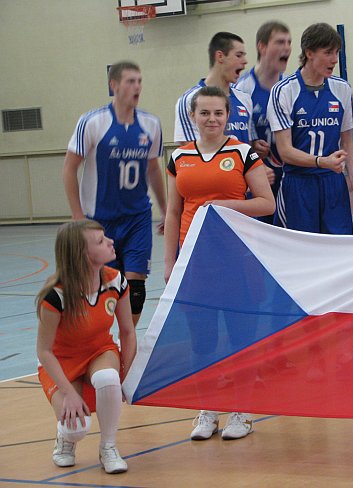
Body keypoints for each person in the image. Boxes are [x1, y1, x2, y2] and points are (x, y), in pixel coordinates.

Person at [165, 86, 275, 441]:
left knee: (240, 337)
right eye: (204, 113)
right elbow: (172, 212)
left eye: (218, 113)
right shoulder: (179, 157)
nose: (211, 119)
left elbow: (266, 203)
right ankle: (208, 409)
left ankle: (242, 410)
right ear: (193, 117)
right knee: (202, 339)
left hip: (236, 259)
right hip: (196, 261)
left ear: (228, 116)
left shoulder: (243, 153)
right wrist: (171, 262)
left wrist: (226, 205)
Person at [62, 61, 166, 327]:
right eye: (130, 81)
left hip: (137, 218)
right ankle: (103, 338)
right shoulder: (92, 122)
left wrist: (166, 211)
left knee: (136, 289)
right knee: (104, 286)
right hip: (100, 220)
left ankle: (126, 341)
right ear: (114, 85)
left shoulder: (151, 124)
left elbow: (154, 169)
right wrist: (78, 216)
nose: (137, 87)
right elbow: (69, 168)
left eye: (139, 81)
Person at [36, 220, 136, 474]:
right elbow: (44, 351)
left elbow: (127, 331)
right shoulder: (55, 295)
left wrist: (127, 374)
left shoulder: (116, 281)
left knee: (108, 378)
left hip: (99, 351)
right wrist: (69, 393)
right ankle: (65, 438)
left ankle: (108, 447)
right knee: (77, 428)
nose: (111, 242)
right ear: (82, 254)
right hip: (61, 360)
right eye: (101, 241)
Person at [267, 22, 353, 234]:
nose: (334, 59)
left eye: (337, 53)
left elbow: (347, 142)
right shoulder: (284, 91)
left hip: (333, 183)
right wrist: (321, 161)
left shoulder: (342, 89)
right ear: (309, 53)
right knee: (300, 248)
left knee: (339, 246)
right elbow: (285, 151)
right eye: (328, 53)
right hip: (299, 184)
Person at [234, 21, 292, 223]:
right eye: (280, 42)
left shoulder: (290, 87)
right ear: (262, 46)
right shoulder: (242, 88)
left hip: (289, 177)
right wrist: (251, 146)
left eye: (289, 42)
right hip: (256, 177)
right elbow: (236, 135)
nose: (287, 48)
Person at [174, 32, 261, 152]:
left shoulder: (245, 99)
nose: (245, 61)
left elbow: (249, 145)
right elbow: (189, 152)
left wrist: (257, 147)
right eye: (238, 55)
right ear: (220, 56)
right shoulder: (189, 100)